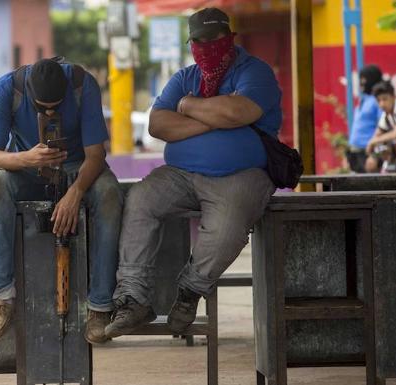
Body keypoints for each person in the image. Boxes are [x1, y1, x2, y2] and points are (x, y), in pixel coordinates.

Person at [105, 7, 280, 338]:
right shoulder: (184, 77)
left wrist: (186, 107)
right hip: (182, 174)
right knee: (141, 199)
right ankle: (134, 297)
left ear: (229, 38)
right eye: (198, 40)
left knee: (229, 225)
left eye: (213, 38)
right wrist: (217, 118)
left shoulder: (254, 72)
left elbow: (239, 111)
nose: (206, 46)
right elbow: (157, 124)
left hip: (242, 174)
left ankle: (189, 292)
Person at [0, 58, 123, 344]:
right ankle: (0, 297)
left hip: (77, 170)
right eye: (42, 107)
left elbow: (96, 154)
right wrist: (26, 158)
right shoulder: (6, 90)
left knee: (109, 193)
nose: (50, 112)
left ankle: (100, 307)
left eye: (56, 105)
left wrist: (76, 193)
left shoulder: (84, 85)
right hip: (27, 169)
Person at [345, 65, 384, 173]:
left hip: (368, 154)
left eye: (364, 79)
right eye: (360, 79)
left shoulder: (379, 101)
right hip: (354, 153)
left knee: (369, 187)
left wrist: (375, 155)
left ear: (373, 79)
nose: (361, 83)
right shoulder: (364, 100)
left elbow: (383, 127)